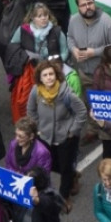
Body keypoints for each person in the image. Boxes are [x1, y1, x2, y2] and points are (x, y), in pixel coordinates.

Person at [26, 60, 87, 207]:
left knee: (65, 167)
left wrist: (72, 131)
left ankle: (64, 197)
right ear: (40, 78)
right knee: (50, 164)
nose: (48, 77)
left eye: (51, 74)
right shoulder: (36, 91)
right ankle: (73, 175)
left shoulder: (67, 94)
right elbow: (31, 111)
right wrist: (38, 127)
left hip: (65, 138)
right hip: (45, 136)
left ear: (57, 75)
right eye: (45, 75)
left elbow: (82, 112)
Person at [67, 0, 111, 90]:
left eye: (90, 3)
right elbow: (70, 37)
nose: (88, 7)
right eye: (83, 5)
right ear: (78, 8)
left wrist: (94, 52)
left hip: (105, 74)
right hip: (83, 74)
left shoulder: (107, 21)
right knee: (89, 103)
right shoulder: (73, 20)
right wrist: (73, 49)